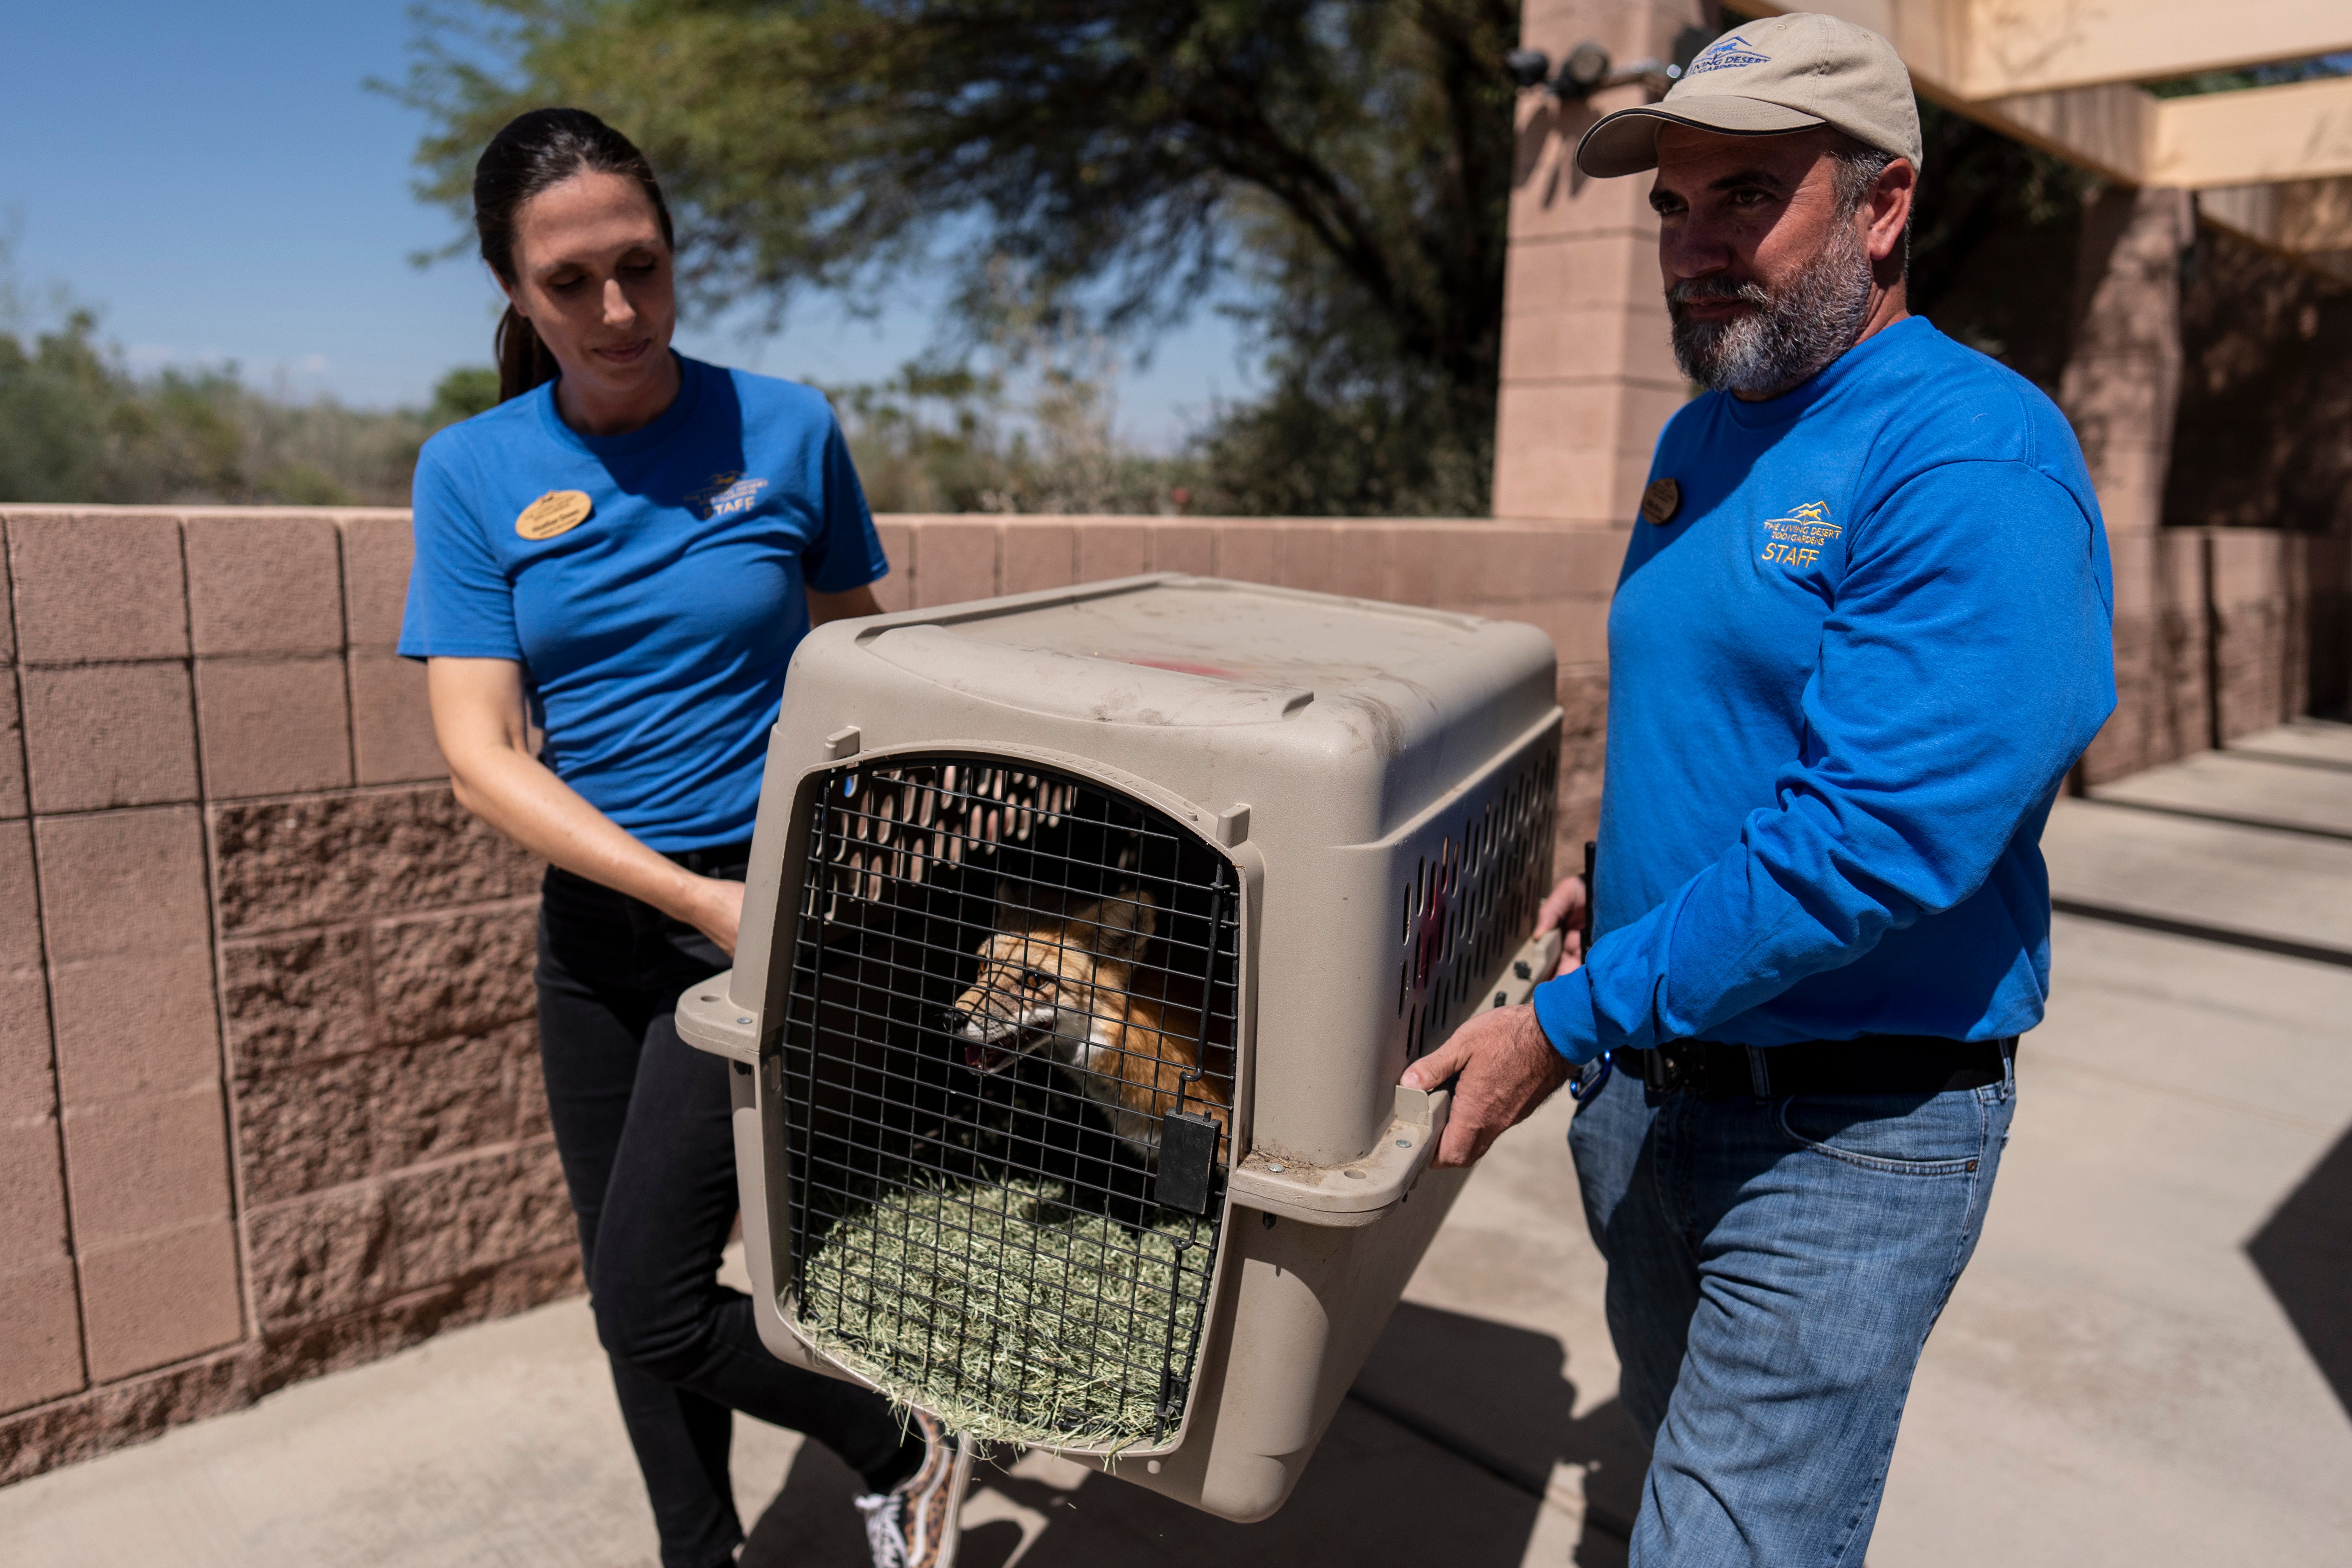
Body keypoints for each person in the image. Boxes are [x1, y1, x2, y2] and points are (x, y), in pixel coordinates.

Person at [1403, 14, 2115, 1564]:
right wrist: (1616, 878)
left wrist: (1564, 1024)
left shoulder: (1971, 455)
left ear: (1884, 203)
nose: (1694, 245)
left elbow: (1875, 836)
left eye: (1747, 196)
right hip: (1648, 1097)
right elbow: (1715, 714)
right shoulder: (1702, 434)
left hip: (1851, 1134)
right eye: (1675, 204)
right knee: (1686, 1472)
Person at [398, 108, 954, 1568]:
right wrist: (679, 897)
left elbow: (861, 666)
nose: (616, 311)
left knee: (649, 1296)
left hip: (768, 915)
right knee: (628, 1292)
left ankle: (894, 1441)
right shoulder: (471, 470)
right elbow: (479, 757)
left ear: (674, 251)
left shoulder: (787, 429)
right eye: (569, 282)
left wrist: (846, 876)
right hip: (604, 931)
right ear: (513, 290)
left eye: (640, 265)